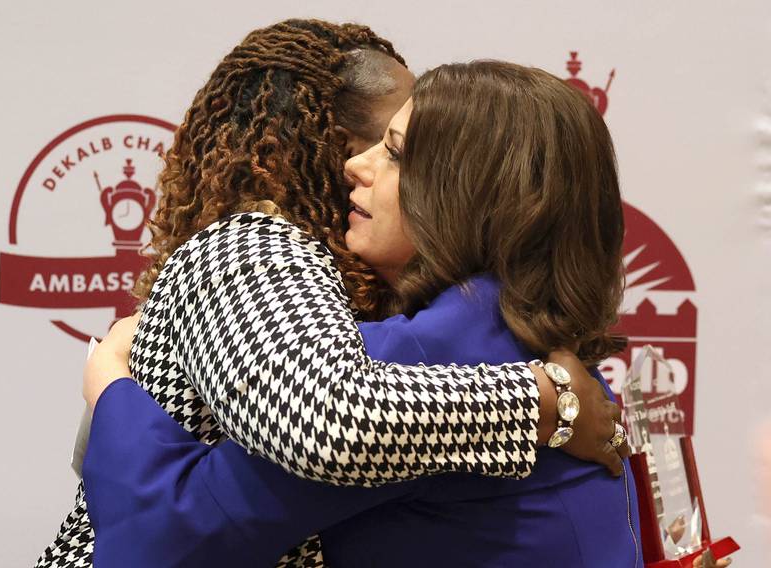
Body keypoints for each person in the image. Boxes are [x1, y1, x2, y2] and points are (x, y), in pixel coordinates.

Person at [81, 61, 640, 567]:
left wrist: (111, 388)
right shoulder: (542, 344)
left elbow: (164, 539)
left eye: (394, 152)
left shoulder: (427, 357)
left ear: (469, 196)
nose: (354, 163)